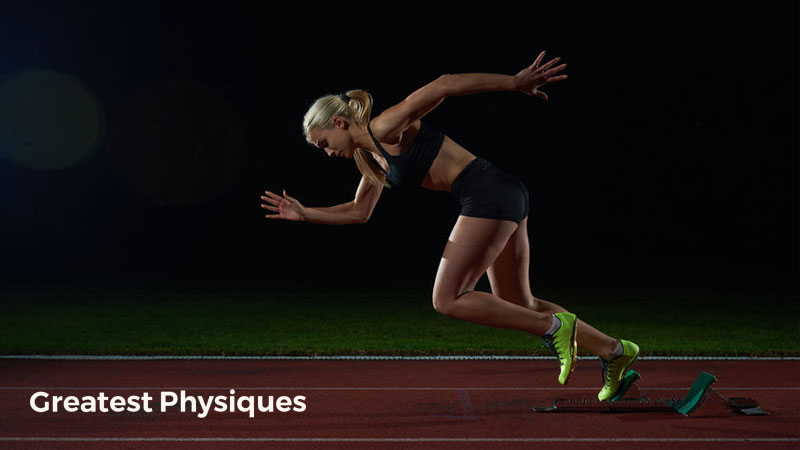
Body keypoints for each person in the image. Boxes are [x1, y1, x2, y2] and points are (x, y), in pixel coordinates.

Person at [261, 51, 639, 400]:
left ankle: (555, 329)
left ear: (339, 122)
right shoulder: (372, 159)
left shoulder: (385, 127)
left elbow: (444, 84)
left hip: (487, 193)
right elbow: (359, 212)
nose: (328, 153)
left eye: (325, 142)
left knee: (447, 299)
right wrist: (306, 213)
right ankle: (615, 351)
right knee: (517, 303)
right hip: (503, 192)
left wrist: (514, 82)